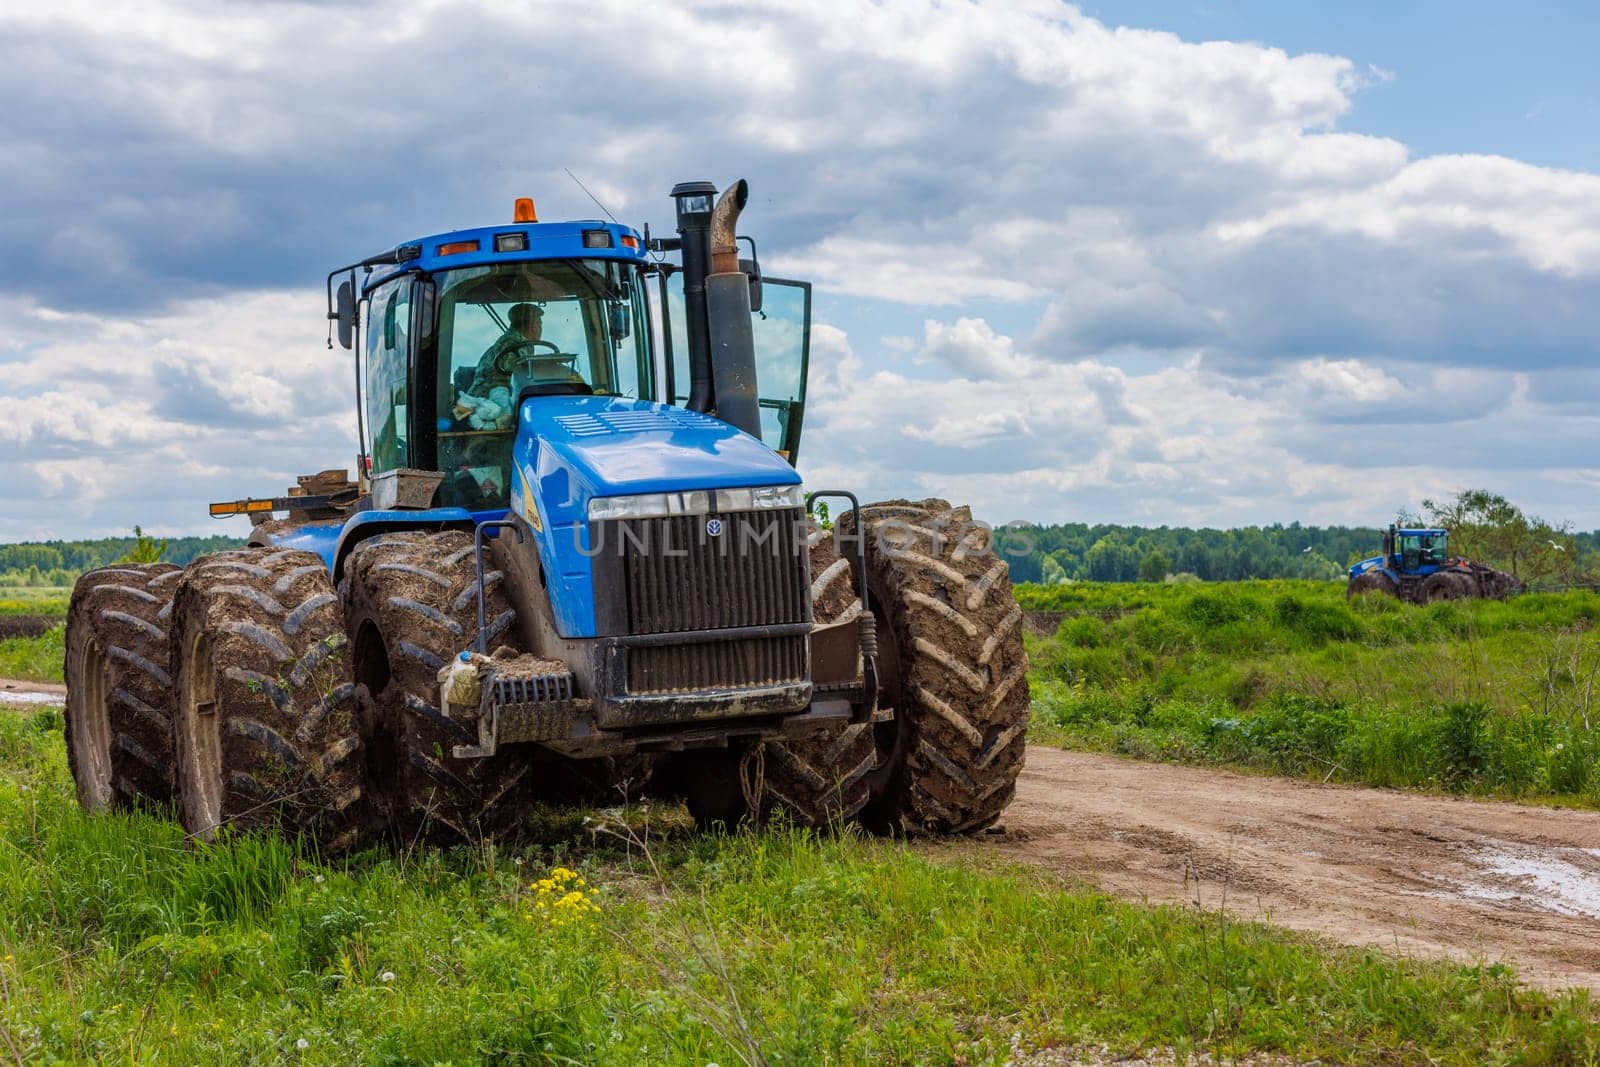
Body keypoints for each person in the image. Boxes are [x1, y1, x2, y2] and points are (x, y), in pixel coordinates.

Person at [470, 302, 543, 396]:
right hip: (488, 402)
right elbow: (519, 375)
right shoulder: (512, 343)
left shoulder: (516, 341)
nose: (540, 328)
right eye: (539, 324)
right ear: (533, 325)